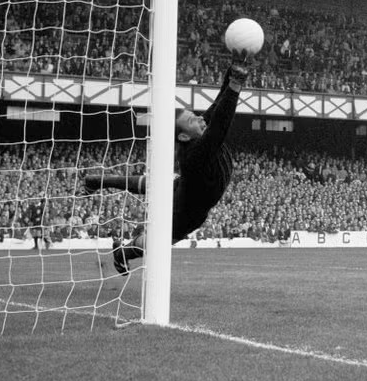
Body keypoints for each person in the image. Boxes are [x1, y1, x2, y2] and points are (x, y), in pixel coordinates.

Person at [84, 54, 251, 274]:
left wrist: (232, 71)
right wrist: (235, 85)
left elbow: (218, 104)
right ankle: (122, 253)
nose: (201, 119)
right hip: (189, 211)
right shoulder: (196, 153)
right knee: (159, 241)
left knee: (157, 186)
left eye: (195, 115)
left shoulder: (197, 131)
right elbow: (220, 124)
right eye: (192, 120)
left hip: (187, 190)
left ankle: (97, 181)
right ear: (183, 136)